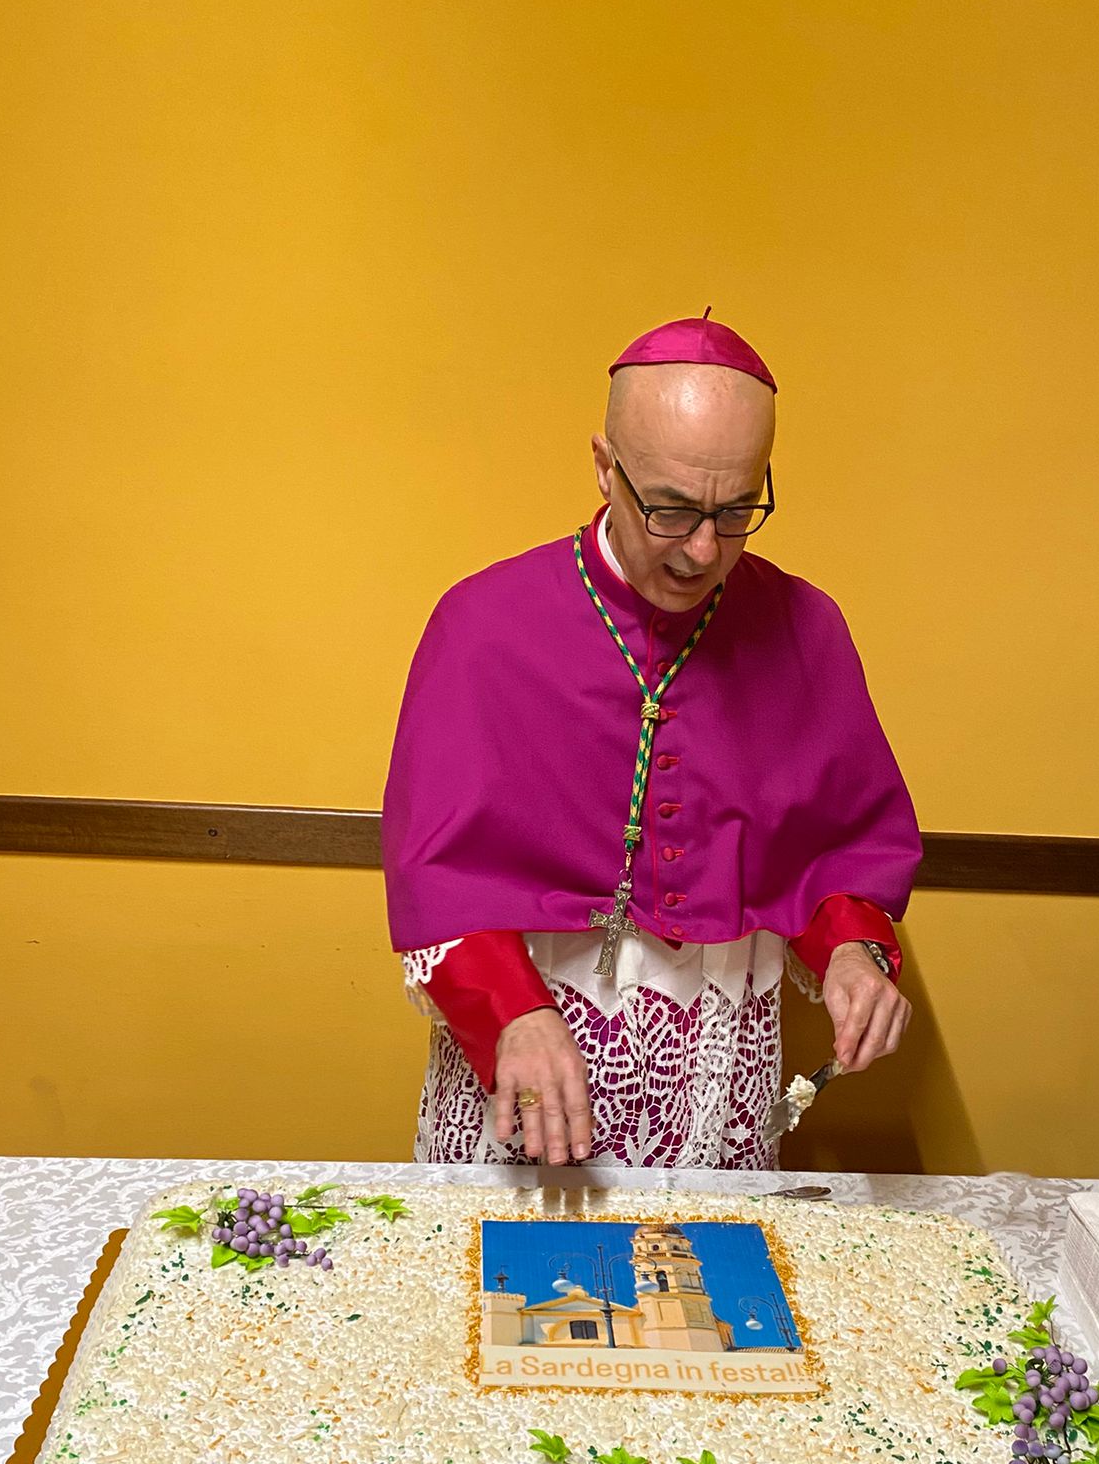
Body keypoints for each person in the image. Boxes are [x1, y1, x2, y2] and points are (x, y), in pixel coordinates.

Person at [383, 313, 921, 1169]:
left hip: (720, 1065)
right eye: (671, 510)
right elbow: (442, 874)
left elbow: (836, 850)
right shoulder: (482, 625)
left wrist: (852, 956)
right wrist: (511, 1013)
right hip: (529, 1047)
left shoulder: (806, 629)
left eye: (736, 511)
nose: (703, 550)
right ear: (606, 467)